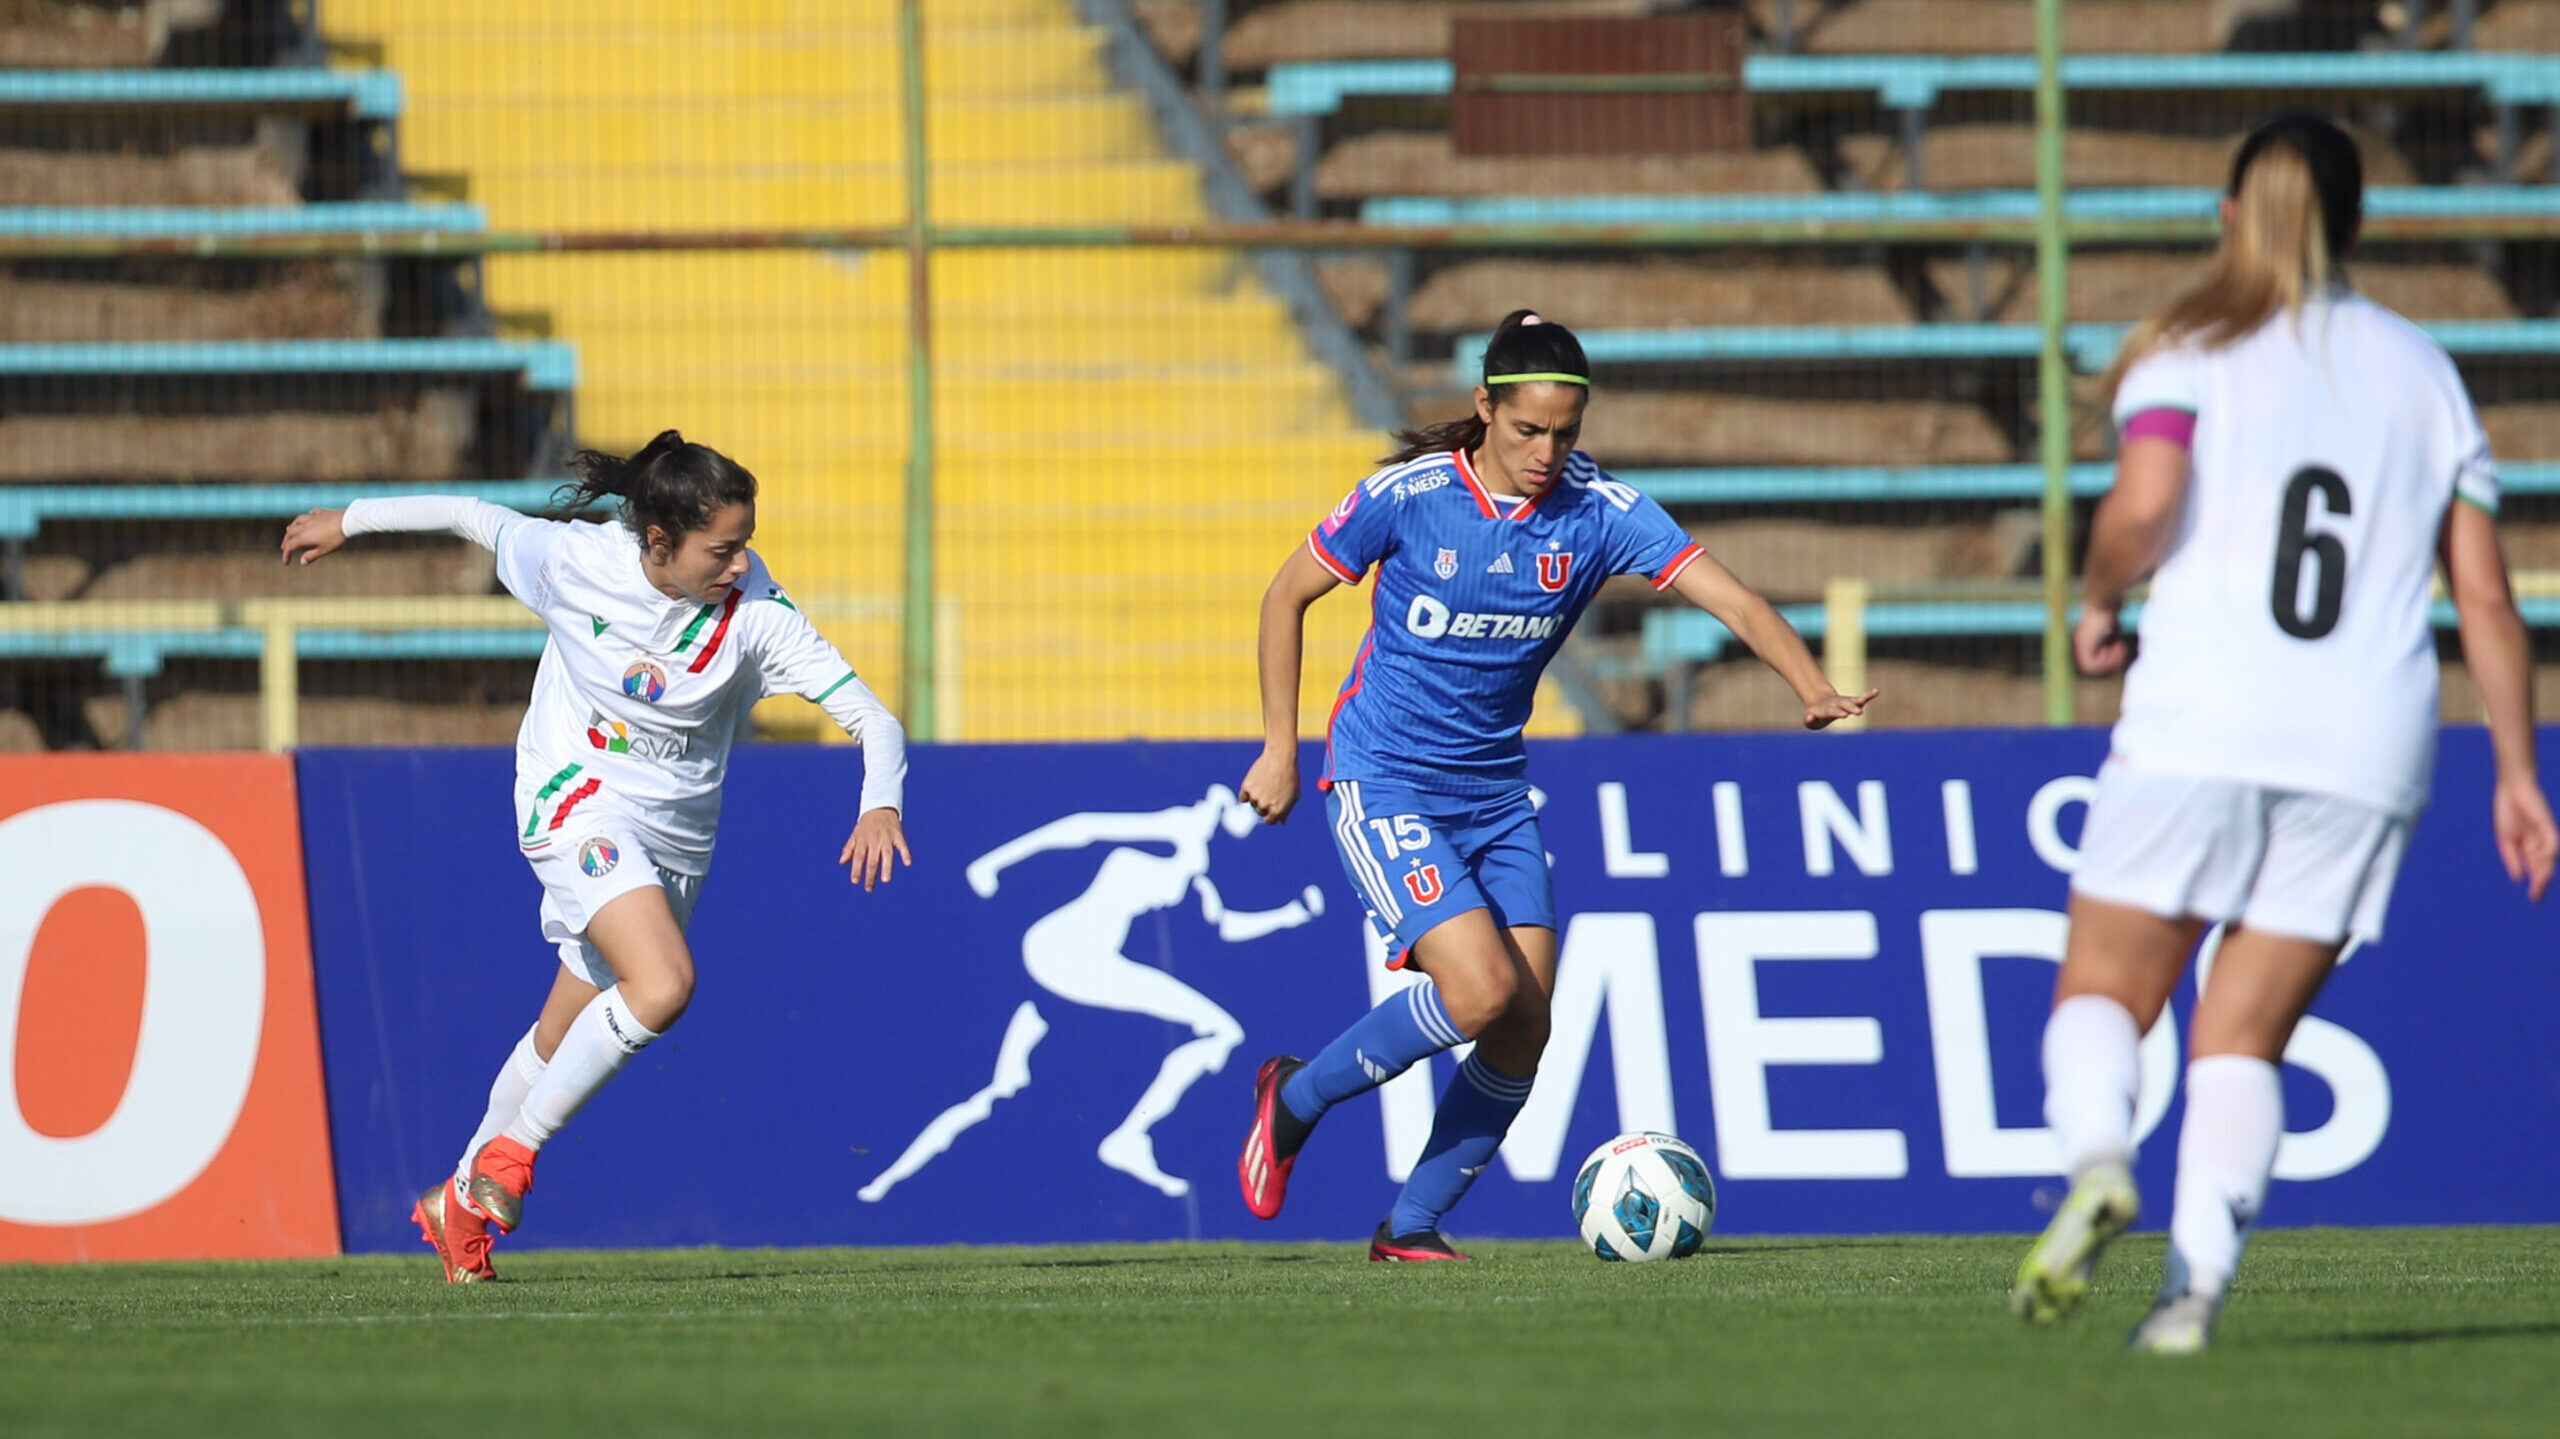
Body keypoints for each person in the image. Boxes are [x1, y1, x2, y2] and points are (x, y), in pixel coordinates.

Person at [2011, 113, 2558, 1352]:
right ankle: (2191, 1297)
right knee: (2243, 1034)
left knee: (2103, 986)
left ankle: (2099, 1157)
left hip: (2207, 711)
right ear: (2357, 223)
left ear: (2224, 218)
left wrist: (2098, 597)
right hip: (2369, 743)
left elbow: (2143, 506)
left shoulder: (2183, 349)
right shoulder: (2424, 372)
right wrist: (2517, 772)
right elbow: (2483, 595)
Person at [1233, 310, 1874, 1260]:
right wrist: (1279, 747)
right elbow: (1285, 594)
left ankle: (1409, 1226)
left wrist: (1810, 685)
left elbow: (1730, 595)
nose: (1546, 453)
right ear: (1485, 408)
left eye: (1565, 434)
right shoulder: (1405, 497)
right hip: (1384, 779)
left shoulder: (1599, 512)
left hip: (1495, 797)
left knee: (1524, 1026)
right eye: (1528, 430)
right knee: (1484, 990)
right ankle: (1293, 1097)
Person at [279, 429, 912, 1283]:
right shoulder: (576, 561)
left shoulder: (757, 614)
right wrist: (348, 520)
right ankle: (510, 1159)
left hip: (676, 842)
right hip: (570, 797)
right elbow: (471, 514)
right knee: (664, 984)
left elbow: (874, 718)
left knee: (562, 1027)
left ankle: (457, 1205)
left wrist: (881, 798)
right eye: (722, 548)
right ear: (657, 541)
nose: (740, 563)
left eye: (746, 543)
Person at [858, 783, 1324, 1202]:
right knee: (1220, 1032)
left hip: (1066, 960)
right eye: (1247, 809)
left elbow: (1223, 926)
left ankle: (888, 1181)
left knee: (1000, 1089)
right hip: (1071, 955)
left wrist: (1289, 916)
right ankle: (1130, 1138)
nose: (1252, 817)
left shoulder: (1195, 868)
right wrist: (994, 862)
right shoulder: (1180, 826)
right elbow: (1084, 827)